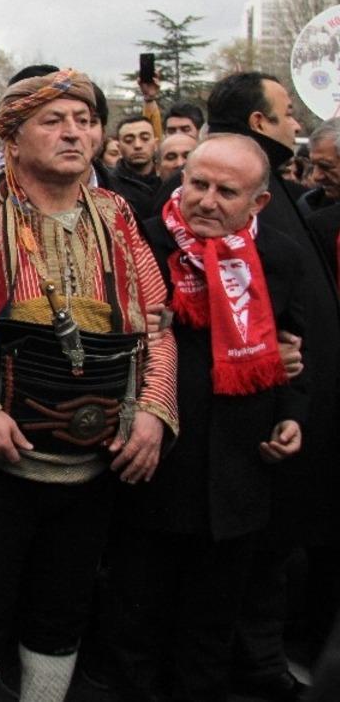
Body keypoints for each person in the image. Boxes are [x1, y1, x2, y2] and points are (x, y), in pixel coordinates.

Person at [0, 69, 177, 701]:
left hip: (96, 464)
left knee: (64, 608)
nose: (74, 133)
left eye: (84, 121)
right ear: (11, 136)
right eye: (54, 121)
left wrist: (155, 412)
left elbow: (158, 328)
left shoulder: (120, 218)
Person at [107, 135, 308, 702]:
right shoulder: (138, 245)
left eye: (226, 192)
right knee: (134, 630)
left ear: (258, 204)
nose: (207, 201)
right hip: (152, 468)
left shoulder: (280, 258)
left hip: (238, 478)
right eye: (198, 184)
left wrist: (292, 416)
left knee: (208, 638)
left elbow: (296, 351)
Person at [206, 72, 339, 702]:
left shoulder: (279, 199)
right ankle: (255, 666)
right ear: (259, 124)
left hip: (290, 414)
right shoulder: (202, 220)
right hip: (241, 433)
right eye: (286, 113)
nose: (296, 124)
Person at [112, 114, 161, 218]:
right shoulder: (109, 186)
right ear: (119, 147)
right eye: (129, 140)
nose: (138, 145)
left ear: (156, 144)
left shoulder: (166, 180)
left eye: (145, 138)